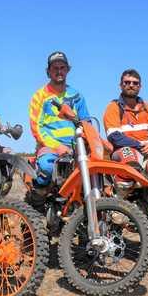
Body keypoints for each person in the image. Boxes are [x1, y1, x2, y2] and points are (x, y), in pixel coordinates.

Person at [28, 51, 89, 191]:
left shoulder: (77, 96)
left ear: (68, 70)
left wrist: (88, 142)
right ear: (48, 71)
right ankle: (37, 198)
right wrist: (57, 147)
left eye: (62, 67)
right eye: (55, 68)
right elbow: (36, 128)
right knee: (47, 167)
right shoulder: (39, 96)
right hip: (50, 146)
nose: (59, 71)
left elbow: (86, 123)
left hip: (76, 146)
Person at [103, 68, 148, 181]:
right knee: (131, 160)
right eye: (127, 82)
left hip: (147, 153)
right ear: (120, 85)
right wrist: (140, 145)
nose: (131, 85)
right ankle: (122, 192)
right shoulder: (113, 107)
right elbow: (114, 136)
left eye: (135, 83)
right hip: (124, 151)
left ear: (140, 86)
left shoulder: (146, 107)